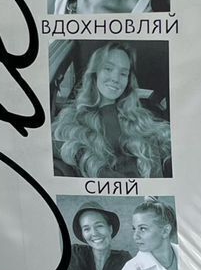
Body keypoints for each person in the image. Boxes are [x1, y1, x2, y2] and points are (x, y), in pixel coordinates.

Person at [52, 43, 171, 180]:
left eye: (123, 73)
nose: (115, 79)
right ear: (95, 73)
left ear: (128, 80)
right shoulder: (72, 118)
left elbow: (156, 177)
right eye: (108, 68)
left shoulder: (141, 121)